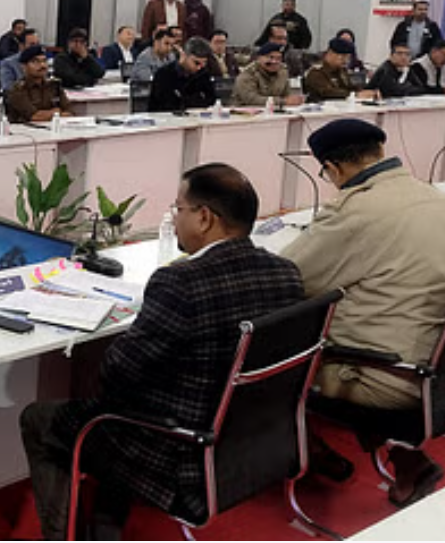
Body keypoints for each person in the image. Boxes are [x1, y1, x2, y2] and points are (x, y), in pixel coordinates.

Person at [21, 163, 304, 540]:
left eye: (178, 209)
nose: (174, 217)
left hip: (179, 454)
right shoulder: (286, 273)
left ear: (204, 218)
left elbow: (115, 374)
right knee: (125, 403)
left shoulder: (180, 283)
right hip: (253, 447)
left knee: (41, 419)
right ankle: (106, 526)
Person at [282, 118, 445, 507]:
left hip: (385, 374)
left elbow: (288, 279)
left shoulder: (356, 212)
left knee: (271, 363)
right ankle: (406, 461)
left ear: (333, 168)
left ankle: (304, 455)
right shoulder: (441, 201)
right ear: (380, 151)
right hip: (443, 368)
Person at [5, 45, 72, 123]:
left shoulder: (54, 85)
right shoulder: (17, 89)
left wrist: (50, 114)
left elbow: (69, 112)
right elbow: (34, 116)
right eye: (35, 62)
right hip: (24, 129)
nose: (42, 65)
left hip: (54, 127)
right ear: (24, 67)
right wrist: (57, 112)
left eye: (44, 61)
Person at [147, 37, 215, 112]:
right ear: (184, 55)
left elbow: (211, 101)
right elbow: (164, 105)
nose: (199, 68)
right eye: (196, 63)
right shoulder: (163, 75)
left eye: (204, 63)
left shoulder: (203, 74)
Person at [230, 43, 303, 107]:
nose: (274, 61)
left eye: (278, 58)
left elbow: (287, 95)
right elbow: (252, 100)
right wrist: (282, 102)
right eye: (270, 57)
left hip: (274, 112)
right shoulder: (248, 75)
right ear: (259, 58)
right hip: (244, 113)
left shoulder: (283, 73)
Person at [303, 37, 374, 103]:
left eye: (348, 57)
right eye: (342, 57)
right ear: (330, 53)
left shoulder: (341, 70)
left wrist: (365, 92)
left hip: (340, 107)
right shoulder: (316, 71)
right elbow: (327, 92)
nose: (346, 61)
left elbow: (350, 86)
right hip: (320, 109)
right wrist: (354, 94)